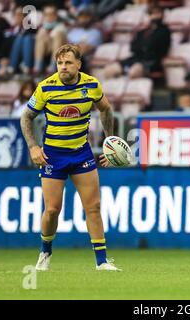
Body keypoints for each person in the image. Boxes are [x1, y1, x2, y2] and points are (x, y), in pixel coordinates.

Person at [20, 44, 120, 271]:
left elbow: (105, 109)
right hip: (52, 156)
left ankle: (102, 262)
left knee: (93, 207)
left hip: (81, 153)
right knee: (52, 209)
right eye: (60, 63)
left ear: (78, 64)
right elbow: (26, 117)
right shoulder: (46, 87)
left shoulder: (91, 85)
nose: (63, 67)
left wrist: (110, 143)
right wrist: (33, 147)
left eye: (68, 63)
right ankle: (45, 251)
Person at [103, 5, 171, 79]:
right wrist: (144, 47)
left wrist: (144, 47)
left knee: (134, 71)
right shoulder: (142, 32)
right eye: (151, 14)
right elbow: (133, 47)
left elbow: (158, 49)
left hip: (152, 61)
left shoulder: (165, 31)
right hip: (136, 58)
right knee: (109, 70)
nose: (154, 16)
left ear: (162, 15)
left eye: (157, 14)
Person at [34, 3, 68, 76]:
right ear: (43, 16)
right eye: (46, 14)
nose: (49, 17)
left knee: (58, 35)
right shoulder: (42, 27)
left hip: (61, 54)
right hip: (46, 52)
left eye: (52, 14)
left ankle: (53, 67)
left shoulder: (61, 26)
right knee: (40, 36)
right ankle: (37, 67)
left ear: (56, 15)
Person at [67, 7, 103, 72]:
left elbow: (87, 48)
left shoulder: (95, 33)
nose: (84, 19)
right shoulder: (73, 31)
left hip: (83, 61)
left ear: (91, 18)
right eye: (81, 17)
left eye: (86, 17)